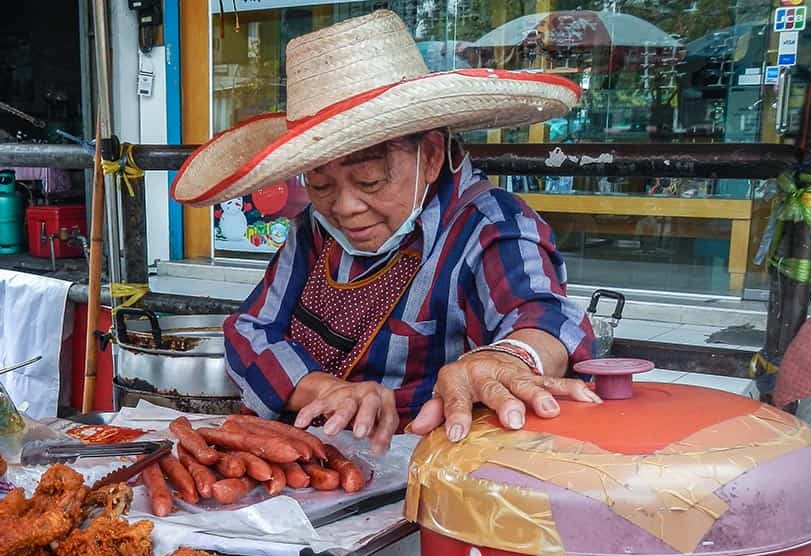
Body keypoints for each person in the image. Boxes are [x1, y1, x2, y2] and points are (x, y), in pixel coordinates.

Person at [171, 11, 598, 453]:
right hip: (308, 457)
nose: (344, 208)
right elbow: (249, 330)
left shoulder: (493, 228)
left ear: (431, 156)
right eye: (321, 185)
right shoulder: (315, 229)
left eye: (370, 180)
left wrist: (506, 358)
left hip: (428, 468)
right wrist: (325, 390)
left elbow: (544, 316)